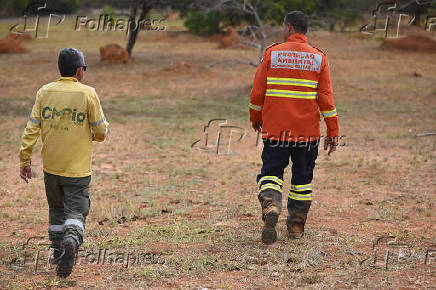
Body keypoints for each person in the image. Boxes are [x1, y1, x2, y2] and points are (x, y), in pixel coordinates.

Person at [249, 11, 340, 244]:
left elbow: (258, 91)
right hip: (306, 133)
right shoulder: (319, 58)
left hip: (276, 129)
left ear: (288, 27)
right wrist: (332, 131)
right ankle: (296, 226)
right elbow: (326, 100)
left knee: (271, 172)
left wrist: (255, 116)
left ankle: (270, 205)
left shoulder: (272, 52)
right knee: (302, 179)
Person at [19, 48, 109, 277]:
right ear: (79, 71)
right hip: (77, 169)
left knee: (57, 210)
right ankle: (71, 239)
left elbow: (31, 128)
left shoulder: (44, 92)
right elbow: (100, 130)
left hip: (52, 168)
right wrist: (96, 134)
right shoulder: (88, 93)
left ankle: (58, 252)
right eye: (84, 69)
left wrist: (25, 158)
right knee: (76, 211)